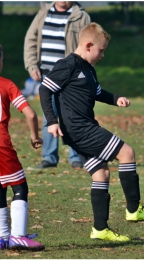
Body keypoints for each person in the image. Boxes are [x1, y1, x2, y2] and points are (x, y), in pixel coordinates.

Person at [39, 22, 144, 242]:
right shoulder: (68, 65)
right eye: (101, 50)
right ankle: (134, 209)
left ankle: (100, 228)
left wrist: (116, 99)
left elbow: (98, 92)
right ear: (88, 45)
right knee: (127, 153)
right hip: (80, 129)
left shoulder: (89, 69)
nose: (103, 54)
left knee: (101, 174)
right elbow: (45, 88)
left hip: (82, 129)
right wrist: (51, 121)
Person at [0, 37, 44, 250]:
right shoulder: (6, 84)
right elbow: (30, 113)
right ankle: (18, 236)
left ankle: (1, 237)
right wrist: (35, 136)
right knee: (19, 187)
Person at [24, 1, 91, 169]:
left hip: (71, 76)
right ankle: (49, 157)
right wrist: (32, 66)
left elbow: (90, 46)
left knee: (73, 116)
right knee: (49, 117)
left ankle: (76, 157)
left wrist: (83, 73)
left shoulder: (81, 16)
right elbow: (30, 41)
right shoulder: (43, 14)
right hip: (47, 75)